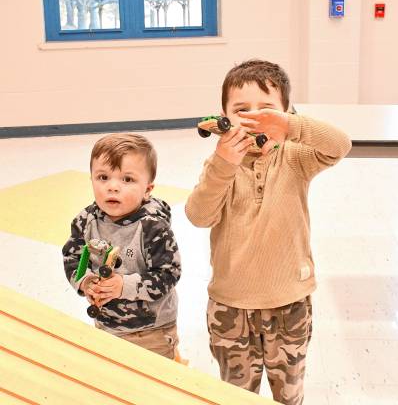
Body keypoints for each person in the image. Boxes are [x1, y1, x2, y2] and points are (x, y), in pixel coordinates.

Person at [185, 59, 352, 404]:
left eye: (267, 110)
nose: (254, 117)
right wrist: (223, 165)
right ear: (225, 115)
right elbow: (198, 216)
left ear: (287, 111)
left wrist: (291, 127)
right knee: (235, 395)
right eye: (242, 109)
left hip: (289, 302)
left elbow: (340, 145)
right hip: (230, 306)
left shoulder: (296, 157)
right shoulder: (220, 164)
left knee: (289, 395)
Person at [63, 133, 181, 359]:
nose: (113, 187)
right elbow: (73, 258)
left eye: (127, 179)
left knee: (153, 385)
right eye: (103, 177)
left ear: (148, 189)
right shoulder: (85, 221)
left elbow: (169, 274)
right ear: (91, 179)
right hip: (106, 325)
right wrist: (86, 282)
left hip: (152, 331)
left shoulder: (153, 228)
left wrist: (123, 286)